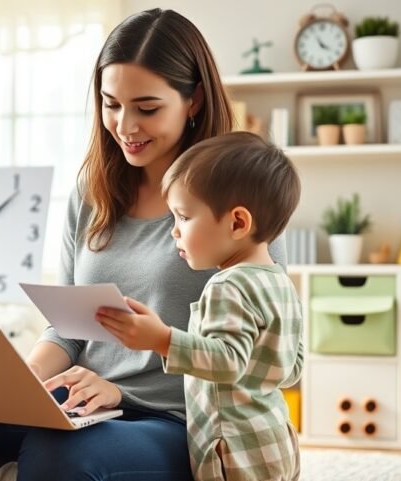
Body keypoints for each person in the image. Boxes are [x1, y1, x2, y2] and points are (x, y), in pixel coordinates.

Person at [0, 8, 287, 481]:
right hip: (83, 403)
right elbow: (66, 329)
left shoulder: (237, 204)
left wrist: (120, 390)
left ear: (194, 101)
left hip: (176, 421)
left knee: (59, 452)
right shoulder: (92, 193)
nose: (125, 125)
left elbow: (259, 354)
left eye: (147, 108)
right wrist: (20, 384)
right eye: (111, 104)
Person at [97, 132, 303, 481]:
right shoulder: (279, 282)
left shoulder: (227, 285)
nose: (174, 232)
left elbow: (228, 361)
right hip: (274, 436)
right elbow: (293, 368)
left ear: (238, 222)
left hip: (233, 447)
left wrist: (161, 339)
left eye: (184, 218)